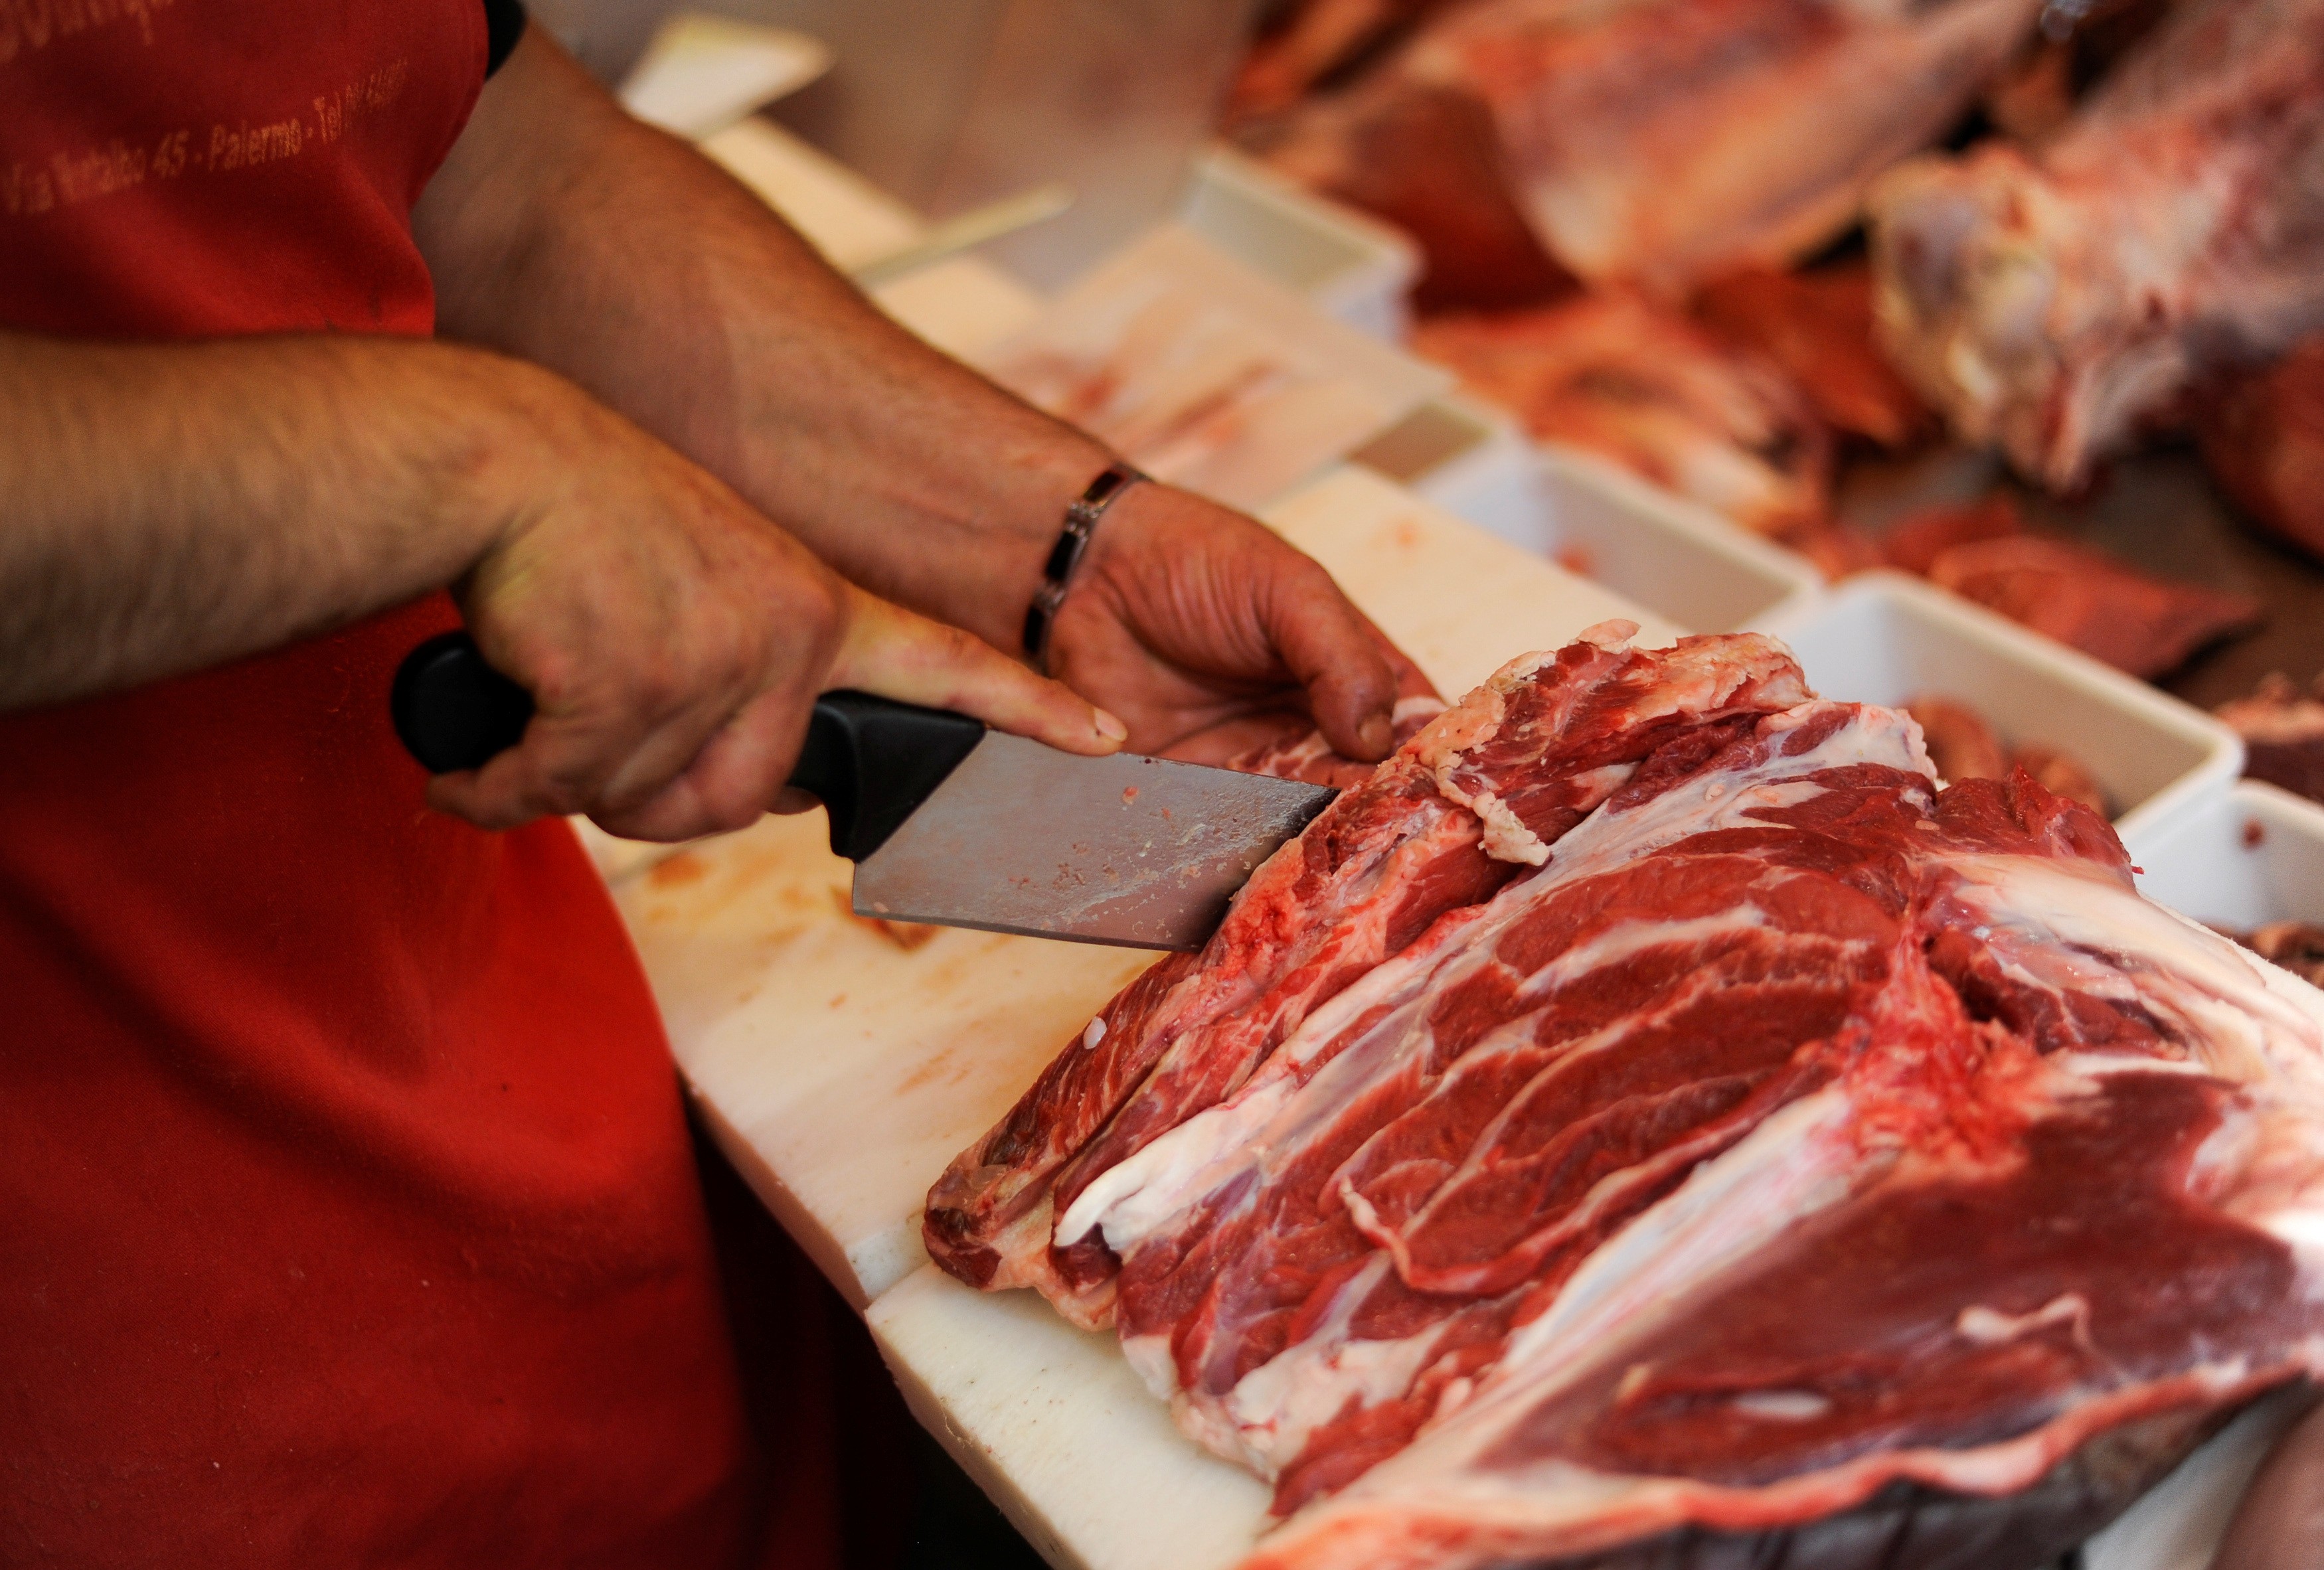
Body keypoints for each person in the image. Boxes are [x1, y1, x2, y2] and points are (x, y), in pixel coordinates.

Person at [0, 4, 1419, 1565]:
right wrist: (486, 466)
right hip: (131, 1318)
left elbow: (489, 164)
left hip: (507, 1083)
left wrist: (1056, 543)